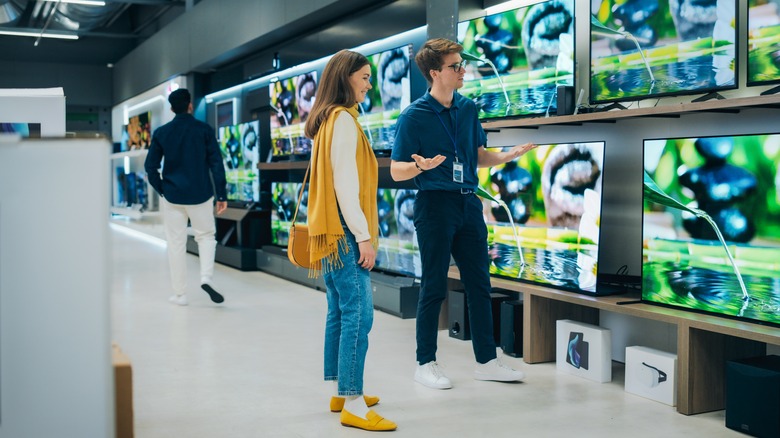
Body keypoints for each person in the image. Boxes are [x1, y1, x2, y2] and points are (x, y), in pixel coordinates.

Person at [391, 38, 536, 389]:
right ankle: (425, 362)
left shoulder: (468, 109)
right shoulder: (414, 116)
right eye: (455, 66)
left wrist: (504, 157)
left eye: (461, 64)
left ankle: (486, 361)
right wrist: (419, 167)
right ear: (434, 73)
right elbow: (397, 170)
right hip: (434, 206)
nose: (462, 70)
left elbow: (477, 155)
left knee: (480, 285)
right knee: (434, 286)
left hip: (468, 203)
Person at [304, 49, 397, 432]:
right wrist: (363, 237)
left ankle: (342, 390)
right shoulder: (342, 120)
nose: (369, 84)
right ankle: (354, 404)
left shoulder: (328, 119)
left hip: (328, 231)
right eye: (364, 77)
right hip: (343, 230)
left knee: (339, 311)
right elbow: (346, 186)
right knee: (360, 312)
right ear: (345, 79)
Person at [144, 88, 228, 306]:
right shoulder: (204, 130)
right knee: (206, 236)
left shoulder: (162, 133)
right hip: (201, 194)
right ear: (190, 105)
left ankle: (180, 294)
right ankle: (206, 277)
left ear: (171, 108)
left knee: (176, 243)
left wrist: (163, 189)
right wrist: (222, 194)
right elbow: (216, 164)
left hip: (173, 196)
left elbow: (150, 167)